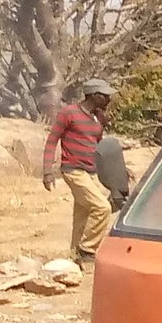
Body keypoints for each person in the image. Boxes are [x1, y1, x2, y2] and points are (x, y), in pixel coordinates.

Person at [42, 80, 117, 267]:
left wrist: (116, 167)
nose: (108, 99)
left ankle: (74, 255)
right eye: (104, 95)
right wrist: (47, 171)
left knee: (82, 215)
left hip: (91, 171)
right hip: (73, 170)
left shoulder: (99, 118)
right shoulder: (69, 113)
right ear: (93, 95)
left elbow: (99, 145)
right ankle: (88, 249)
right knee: (102, 208)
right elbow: (52, 141)